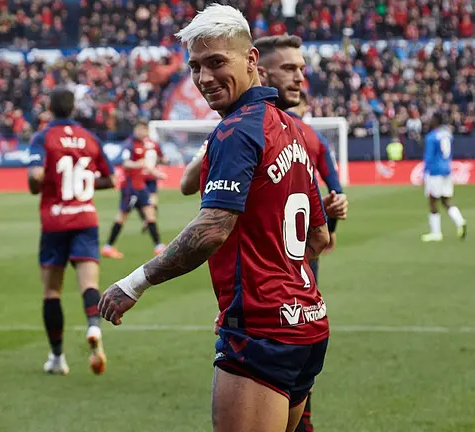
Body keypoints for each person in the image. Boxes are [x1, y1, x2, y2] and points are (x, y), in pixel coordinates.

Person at [100, 5, 331, 432]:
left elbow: (211, 230)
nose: (204, 78)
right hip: (307, 324)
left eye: (217, 62)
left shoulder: (236, 131)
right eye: (195, 66)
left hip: (262, 335)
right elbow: (318, 236)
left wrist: (134, 282)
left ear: (251, 60)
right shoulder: (291, 128)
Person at [255, 34, 350, 432]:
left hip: (290, 266)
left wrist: (334, 210)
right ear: (260, 71)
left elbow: (334, 195)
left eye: (301, 71)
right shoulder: (248, 129)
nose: (300, 79)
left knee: (288, 363)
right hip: (275, 269)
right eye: (291, 69)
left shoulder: (309, 135)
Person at [27, 88, 116, 376]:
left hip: (54, 221)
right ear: (73, 108)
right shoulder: (90, 138)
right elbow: (111, 179)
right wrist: (86, 183)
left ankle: (57, 358)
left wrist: (44, 183)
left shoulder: (43, 137)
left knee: (52, 291)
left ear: (50, 108)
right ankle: (93, 327)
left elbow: (34, 177)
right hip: (85, 219)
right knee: (89, 284)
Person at [101, 119, 166, 259]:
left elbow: (145, 166)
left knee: (150, 214)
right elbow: (125, 164)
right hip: (130, 188)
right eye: (139, 129)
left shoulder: (143, 144)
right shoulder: (129, 144)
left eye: (143, 130)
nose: (140, 132)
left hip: (140, 186)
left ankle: (158, 246)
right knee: (122, 217)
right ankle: (108, 246)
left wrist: (157, 174)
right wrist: (138, 164)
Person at [421, 112, 467, 241]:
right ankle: (460, 221)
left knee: (432, 200)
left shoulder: (431, 137)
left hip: (435, 171)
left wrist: (424, 172)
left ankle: (436, 233)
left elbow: (429, 157)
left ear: (435, 121)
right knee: (445, 200)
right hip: (447, 169)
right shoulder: (448, 134)